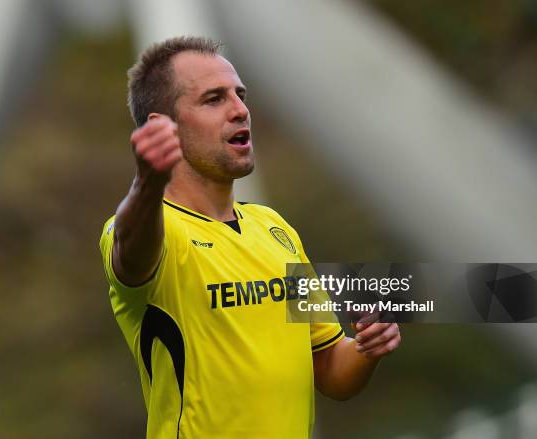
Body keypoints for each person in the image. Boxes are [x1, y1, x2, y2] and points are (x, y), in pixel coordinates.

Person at [99, 36, 401, 438]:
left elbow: (329, 370)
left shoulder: (274, 229)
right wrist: (147, 182)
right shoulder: (151, 228)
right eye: (213, 99)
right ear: (162, 127)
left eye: (240, 95)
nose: (240, 111)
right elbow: (130, 247)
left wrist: (367, 348)